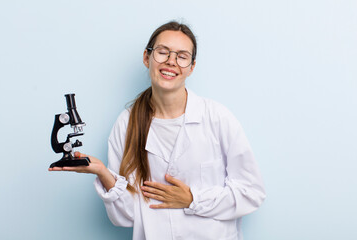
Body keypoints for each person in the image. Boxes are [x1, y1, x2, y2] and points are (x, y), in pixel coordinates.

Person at [49, 21, 266, 240]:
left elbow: (251, 193)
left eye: (182, 56)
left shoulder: (217, 118)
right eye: (163, 52)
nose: (171, 61)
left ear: (191, 67)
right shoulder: (126, 124)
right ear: (147, 57)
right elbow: (127, 216)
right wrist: (104, 174)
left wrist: (193, 199)